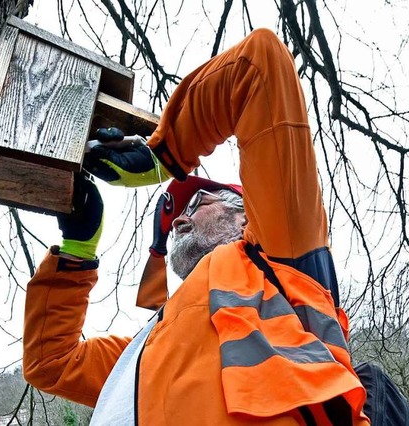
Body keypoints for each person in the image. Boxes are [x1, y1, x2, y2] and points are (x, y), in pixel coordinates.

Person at [23, 28, 371, 425]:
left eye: (197, 202)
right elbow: (50, 363)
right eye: (176, 218)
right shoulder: (148, 347)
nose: (180, 219)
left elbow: (259, 68)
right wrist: (79, 249)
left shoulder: (279, 257)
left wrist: (166, 155)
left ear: (245, 215)